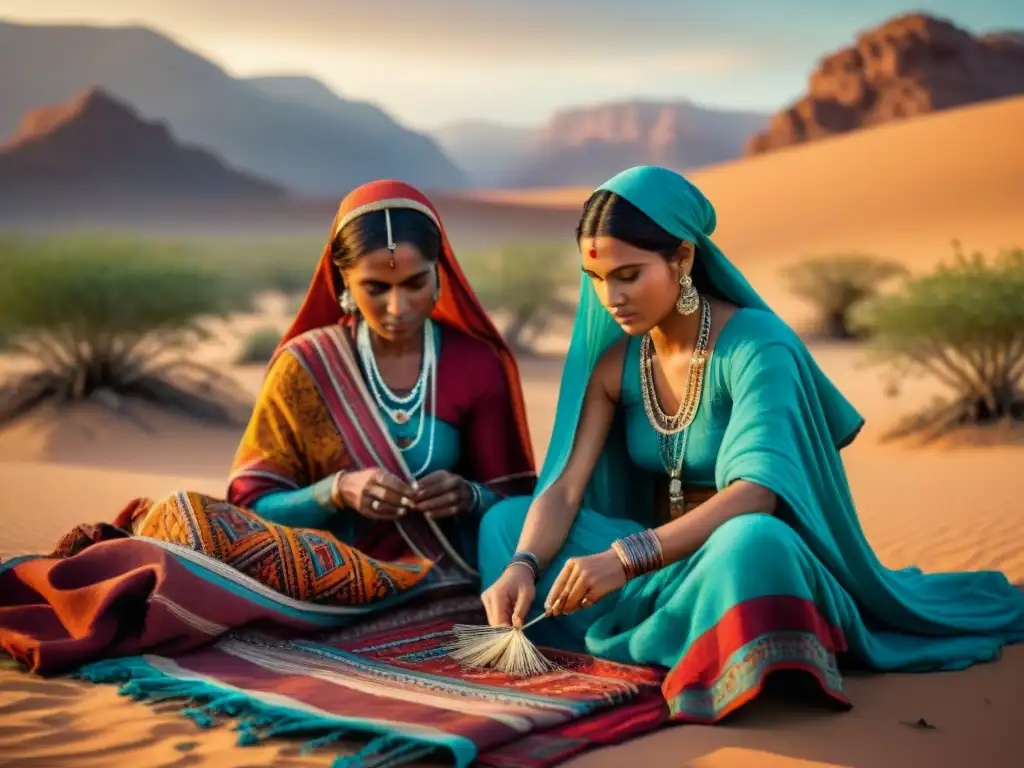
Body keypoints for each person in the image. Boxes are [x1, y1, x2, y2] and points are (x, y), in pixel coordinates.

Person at [477, 165, 1024, 723]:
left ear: (683, 260)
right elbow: (566, 488)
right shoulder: (618, 366)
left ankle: (699, 638)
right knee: (503, 525)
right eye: (595, 278)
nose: (609, 296)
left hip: (727, 552)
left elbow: (759, 492)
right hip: (652, 567)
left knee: (754, 543)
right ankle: (679, 631)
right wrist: (523, 563)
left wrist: (625, 559)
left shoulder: (756, 345)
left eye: (628, 274)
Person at [113, 178, 538, 603]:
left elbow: (513, 503)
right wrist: (336, 491)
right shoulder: (306, 365)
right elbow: (252, 508)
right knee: (189, 521)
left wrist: (468, 495)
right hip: (326, 569)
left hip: (444, 573)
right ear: (343, 285)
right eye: (376, 287)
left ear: (439, 274)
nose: (398, 307)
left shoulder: (476, 362)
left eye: (415, 283)